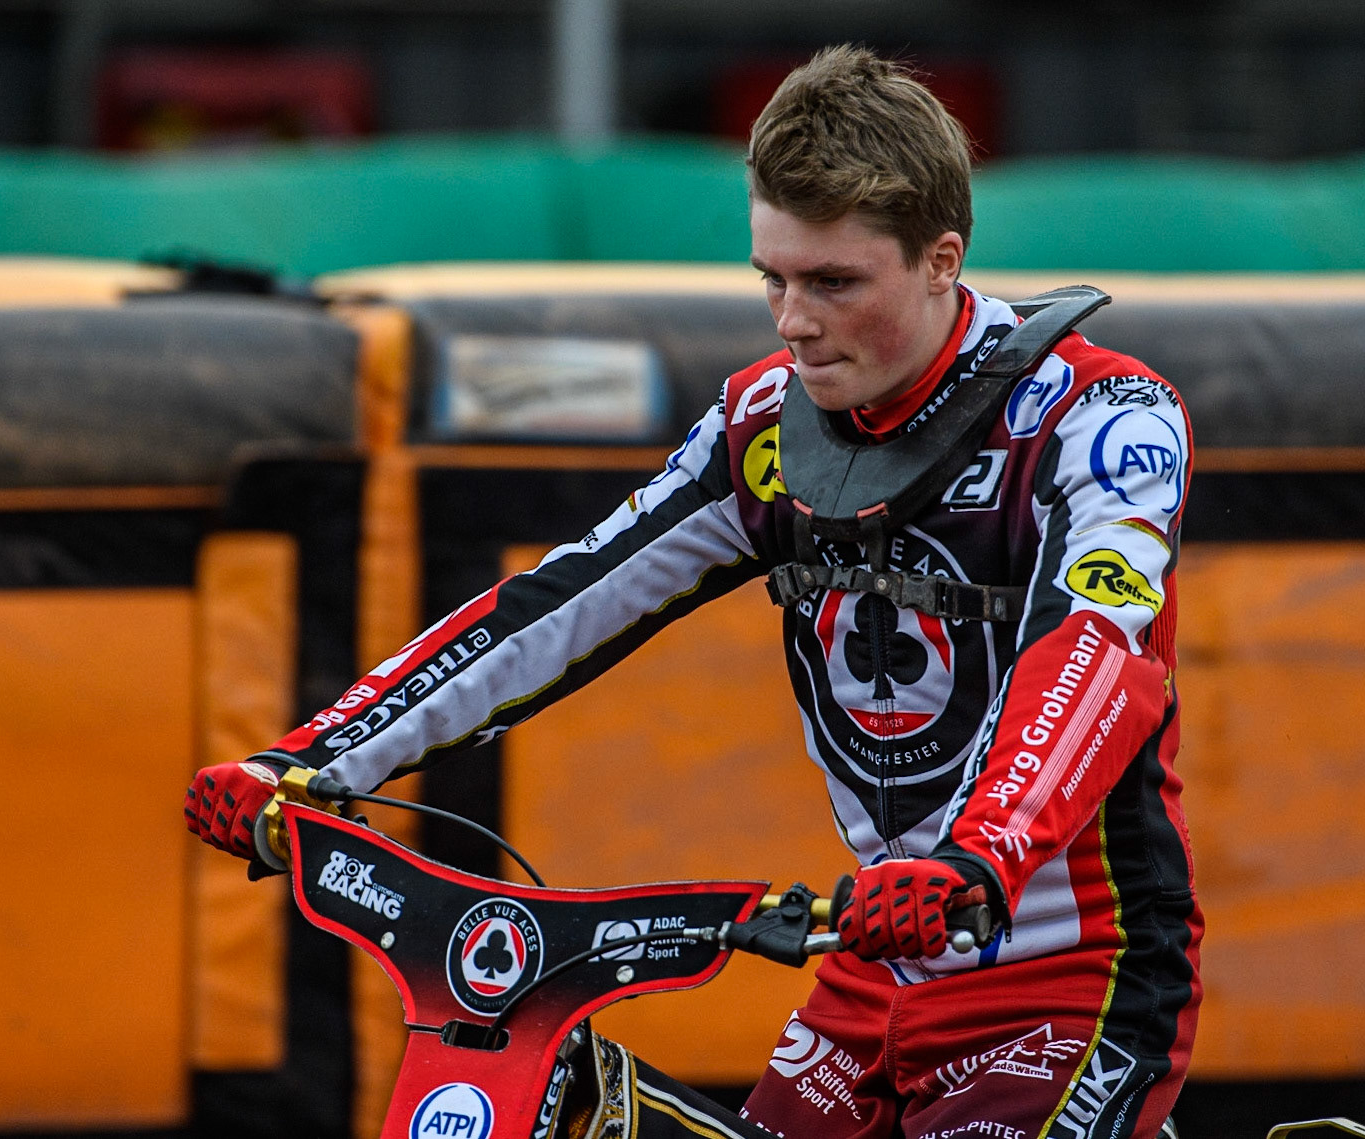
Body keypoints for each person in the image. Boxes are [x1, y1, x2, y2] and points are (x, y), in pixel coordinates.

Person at [187, 45, 1200, 1139]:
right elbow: (562, 602)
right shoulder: (764, 421)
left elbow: (1097, 648)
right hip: (874, 960)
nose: (793, 321)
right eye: (773, 277)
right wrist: (310, 758)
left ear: (943, 258)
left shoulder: (1102, 420)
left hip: (1074, 970)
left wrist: (974, 857)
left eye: (834, 283)